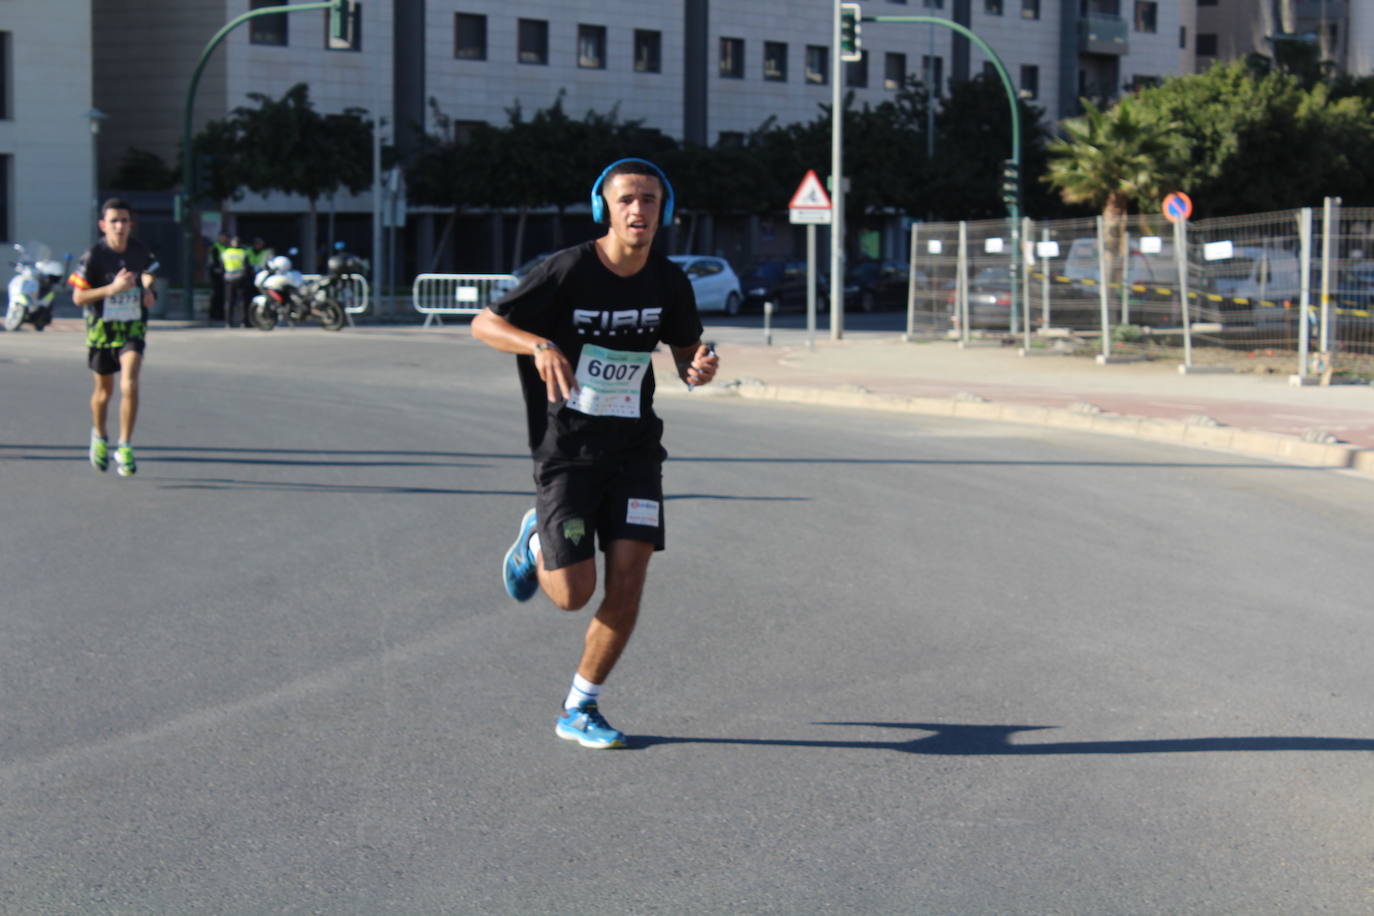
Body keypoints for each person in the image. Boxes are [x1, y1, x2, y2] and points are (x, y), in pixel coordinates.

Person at [471, 158, 719, 749]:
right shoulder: (565, 270)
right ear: (604, 206)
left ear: (665, 210)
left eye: (651, 200)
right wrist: (539, 345)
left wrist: (699, 368)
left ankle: (580, 707)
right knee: (571, 595)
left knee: (629, 583)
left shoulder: (668, 280)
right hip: (569, 451)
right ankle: (536, 538)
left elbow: (687, 352)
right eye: (628, 199)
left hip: (635, 449)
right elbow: (485, 323)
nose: (639, 210)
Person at [68, 198, 159, 477]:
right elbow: (78, 297)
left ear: (131, 224)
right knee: (104, 392)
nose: (119, 226)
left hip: (132, 326)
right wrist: (112, 288)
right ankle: (99, 435)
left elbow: (148, 274)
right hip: (102, 329)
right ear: (103, 225)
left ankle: (125, 445)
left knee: (129, 383)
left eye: (124, 221)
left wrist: (147, 290)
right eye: (114, 221)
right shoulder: (94, 255)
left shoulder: (140, 250)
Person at [244, 237, 274, 327]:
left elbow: (270, 264)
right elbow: (245, 264)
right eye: (257, 244)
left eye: (260, 244)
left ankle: (263, 319)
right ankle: (247, 321)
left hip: (262, 280)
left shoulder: (266, 253)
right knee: (248, 301)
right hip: (250, 279)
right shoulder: (248, 252)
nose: (258, 246)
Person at [220, 235, 248, 328]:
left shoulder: (226, 252)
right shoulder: (243, 252)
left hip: (229, 279)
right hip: (239, 278)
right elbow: (246, 266)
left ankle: (228, 322)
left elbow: (222, 266)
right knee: (241, 301)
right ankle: (242, 322)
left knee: (230, 301)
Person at [207, 232, 229, 323]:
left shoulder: (228, 248)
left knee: (223, 296)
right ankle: (213, 314)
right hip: (216, 275)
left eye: (225, 238)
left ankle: (221, 315)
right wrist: (217, 270)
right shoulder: (215, 247)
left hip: (225, 274)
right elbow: (213, 262)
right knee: (216, 295)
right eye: (222, 238)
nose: (223, 239)